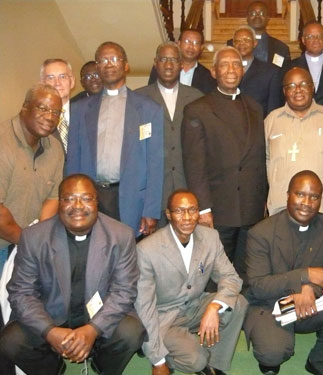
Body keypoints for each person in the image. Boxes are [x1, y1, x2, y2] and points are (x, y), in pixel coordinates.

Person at [0, 174, 145, 375]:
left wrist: (92, 329)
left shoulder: (120, 236)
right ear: (59, 203)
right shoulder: (34, 237)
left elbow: (124, 291)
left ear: (97, 201)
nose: (77, 205)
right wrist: (49, 332)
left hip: (99, 317)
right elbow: (21, 292)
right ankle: (52, 368)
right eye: (69, 199)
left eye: (86, 198)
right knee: (12, 340)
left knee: (131, 332)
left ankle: (103, 366)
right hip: (51, 316)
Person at [245, 171, 323, 375]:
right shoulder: (260, 233)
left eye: (314, 197)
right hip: (271, 304)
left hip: (309, 304)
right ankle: (272, 346)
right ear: (288, 194)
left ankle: (319, 362)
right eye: (300, 194)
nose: (306, 202)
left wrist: (310, 289)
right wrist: (304, 275)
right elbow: (259, 286)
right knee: (273, 353)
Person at [135, 189, 248, 375]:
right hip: (164, 317)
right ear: (168, 214)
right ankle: (172, 352)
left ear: (198, 212)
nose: (187, 217)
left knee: (238, 303)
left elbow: (231, 277)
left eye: (192, 210)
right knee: (196, 361)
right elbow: (144, 308)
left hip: (195, 306)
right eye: (179, 211)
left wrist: (214, 307)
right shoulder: (146, 250)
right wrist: (158, 360)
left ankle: (216, 363)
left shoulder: (210, 238)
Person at [181, 46, 267, 282]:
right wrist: (204, 209)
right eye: (224, 64)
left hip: (251, 210)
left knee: (246, 274)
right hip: (217, 211)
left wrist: (262, 202)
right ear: (213, 71)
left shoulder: (255, 108)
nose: (231, 69)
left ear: (243, 70)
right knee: (214, 275)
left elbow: (259, 161)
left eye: (236, 64)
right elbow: (194, 164)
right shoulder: (197, 110)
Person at [66, 41, 164, 237]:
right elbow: (73, 159)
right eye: (102, 60)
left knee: (127, 259)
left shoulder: (148, 109)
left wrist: (150, 211)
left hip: (131, 198)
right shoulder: (80, 109)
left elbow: (155, 164)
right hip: (90, 197)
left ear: (125, 65)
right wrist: (70, 201)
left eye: (114, 59)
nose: (108, 64)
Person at [265, 67, 323, 219]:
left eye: (303, 84)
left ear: (312, 87)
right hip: (281, 206)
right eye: (291, 86)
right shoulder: (272, 120)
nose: (297, 90)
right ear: (284, 92)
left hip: (322, 207)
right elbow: (266, 158)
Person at [136, 42, 203, 227]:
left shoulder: (197, 98)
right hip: (154, 193)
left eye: (173, 59)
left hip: (187, 189)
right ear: (155, 63)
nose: (168, 64)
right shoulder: (139, 99)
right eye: (163, 59)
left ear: (181, 64)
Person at [0, 84, 64, 275]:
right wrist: (29, 243)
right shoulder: (3, 143)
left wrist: (38, 239)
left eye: (56, 111)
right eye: (43, 108)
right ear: (25, 106)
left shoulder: (55, 149)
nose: (50, 117)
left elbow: (53, 199)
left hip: (26, 246)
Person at [232, 25, 283, 116]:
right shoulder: (225, 71)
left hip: (258, 126)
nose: (242, 44)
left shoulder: (270, 72)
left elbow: (273, 108)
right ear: (233, 44)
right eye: (238, 41)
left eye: (246, 40)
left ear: (255, 43)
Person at [149, 29, 217, 94]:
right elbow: (151, 93)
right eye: (187, 41)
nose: (191, 46)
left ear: (201, 48)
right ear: (178, 43)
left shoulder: (208, 76)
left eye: (196, 43)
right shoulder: (164, 68)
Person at [228, 1, 290, 71]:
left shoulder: (281, 48)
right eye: (253, 13)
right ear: (247, 17)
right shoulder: (231, 45)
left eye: (262, 13)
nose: (257, 16)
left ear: (268, 18)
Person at [40, 58, 75, 152]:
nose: (57, 83)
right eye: (51, 78)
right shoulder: (34, 119)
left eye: (62, 77)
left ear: (72, 82)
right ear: (42, 83)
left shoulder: (87, 114)